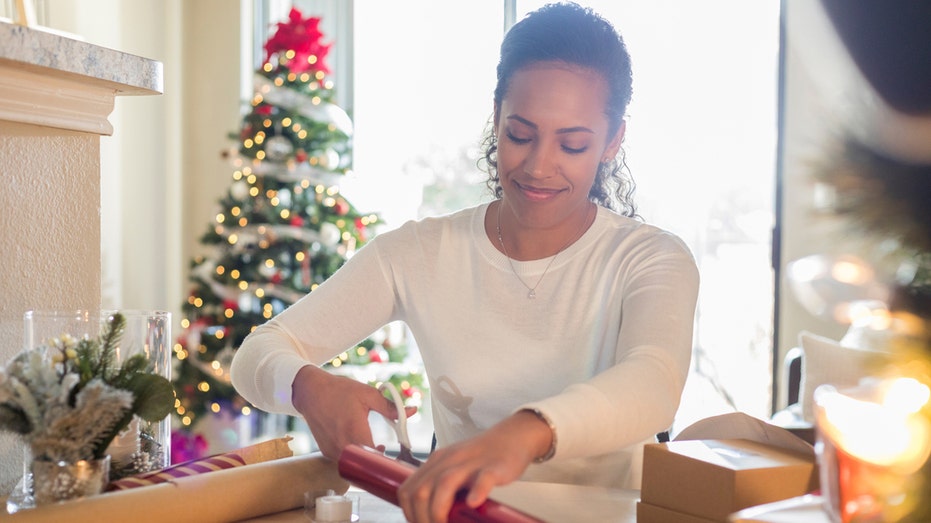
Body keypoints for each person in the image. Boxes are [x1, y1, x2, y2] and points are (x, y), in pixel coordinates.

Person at [231, 3, 699, 522]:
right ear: (496, 116)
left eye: (572, 144)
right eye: (520, 134)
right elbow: (255, 356)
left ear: (613, 141)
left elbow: (654, 384)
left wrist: (523, 435)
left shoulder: (651, 259)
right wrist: (304, 386)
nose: (539, 165)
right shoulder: (419, 253)